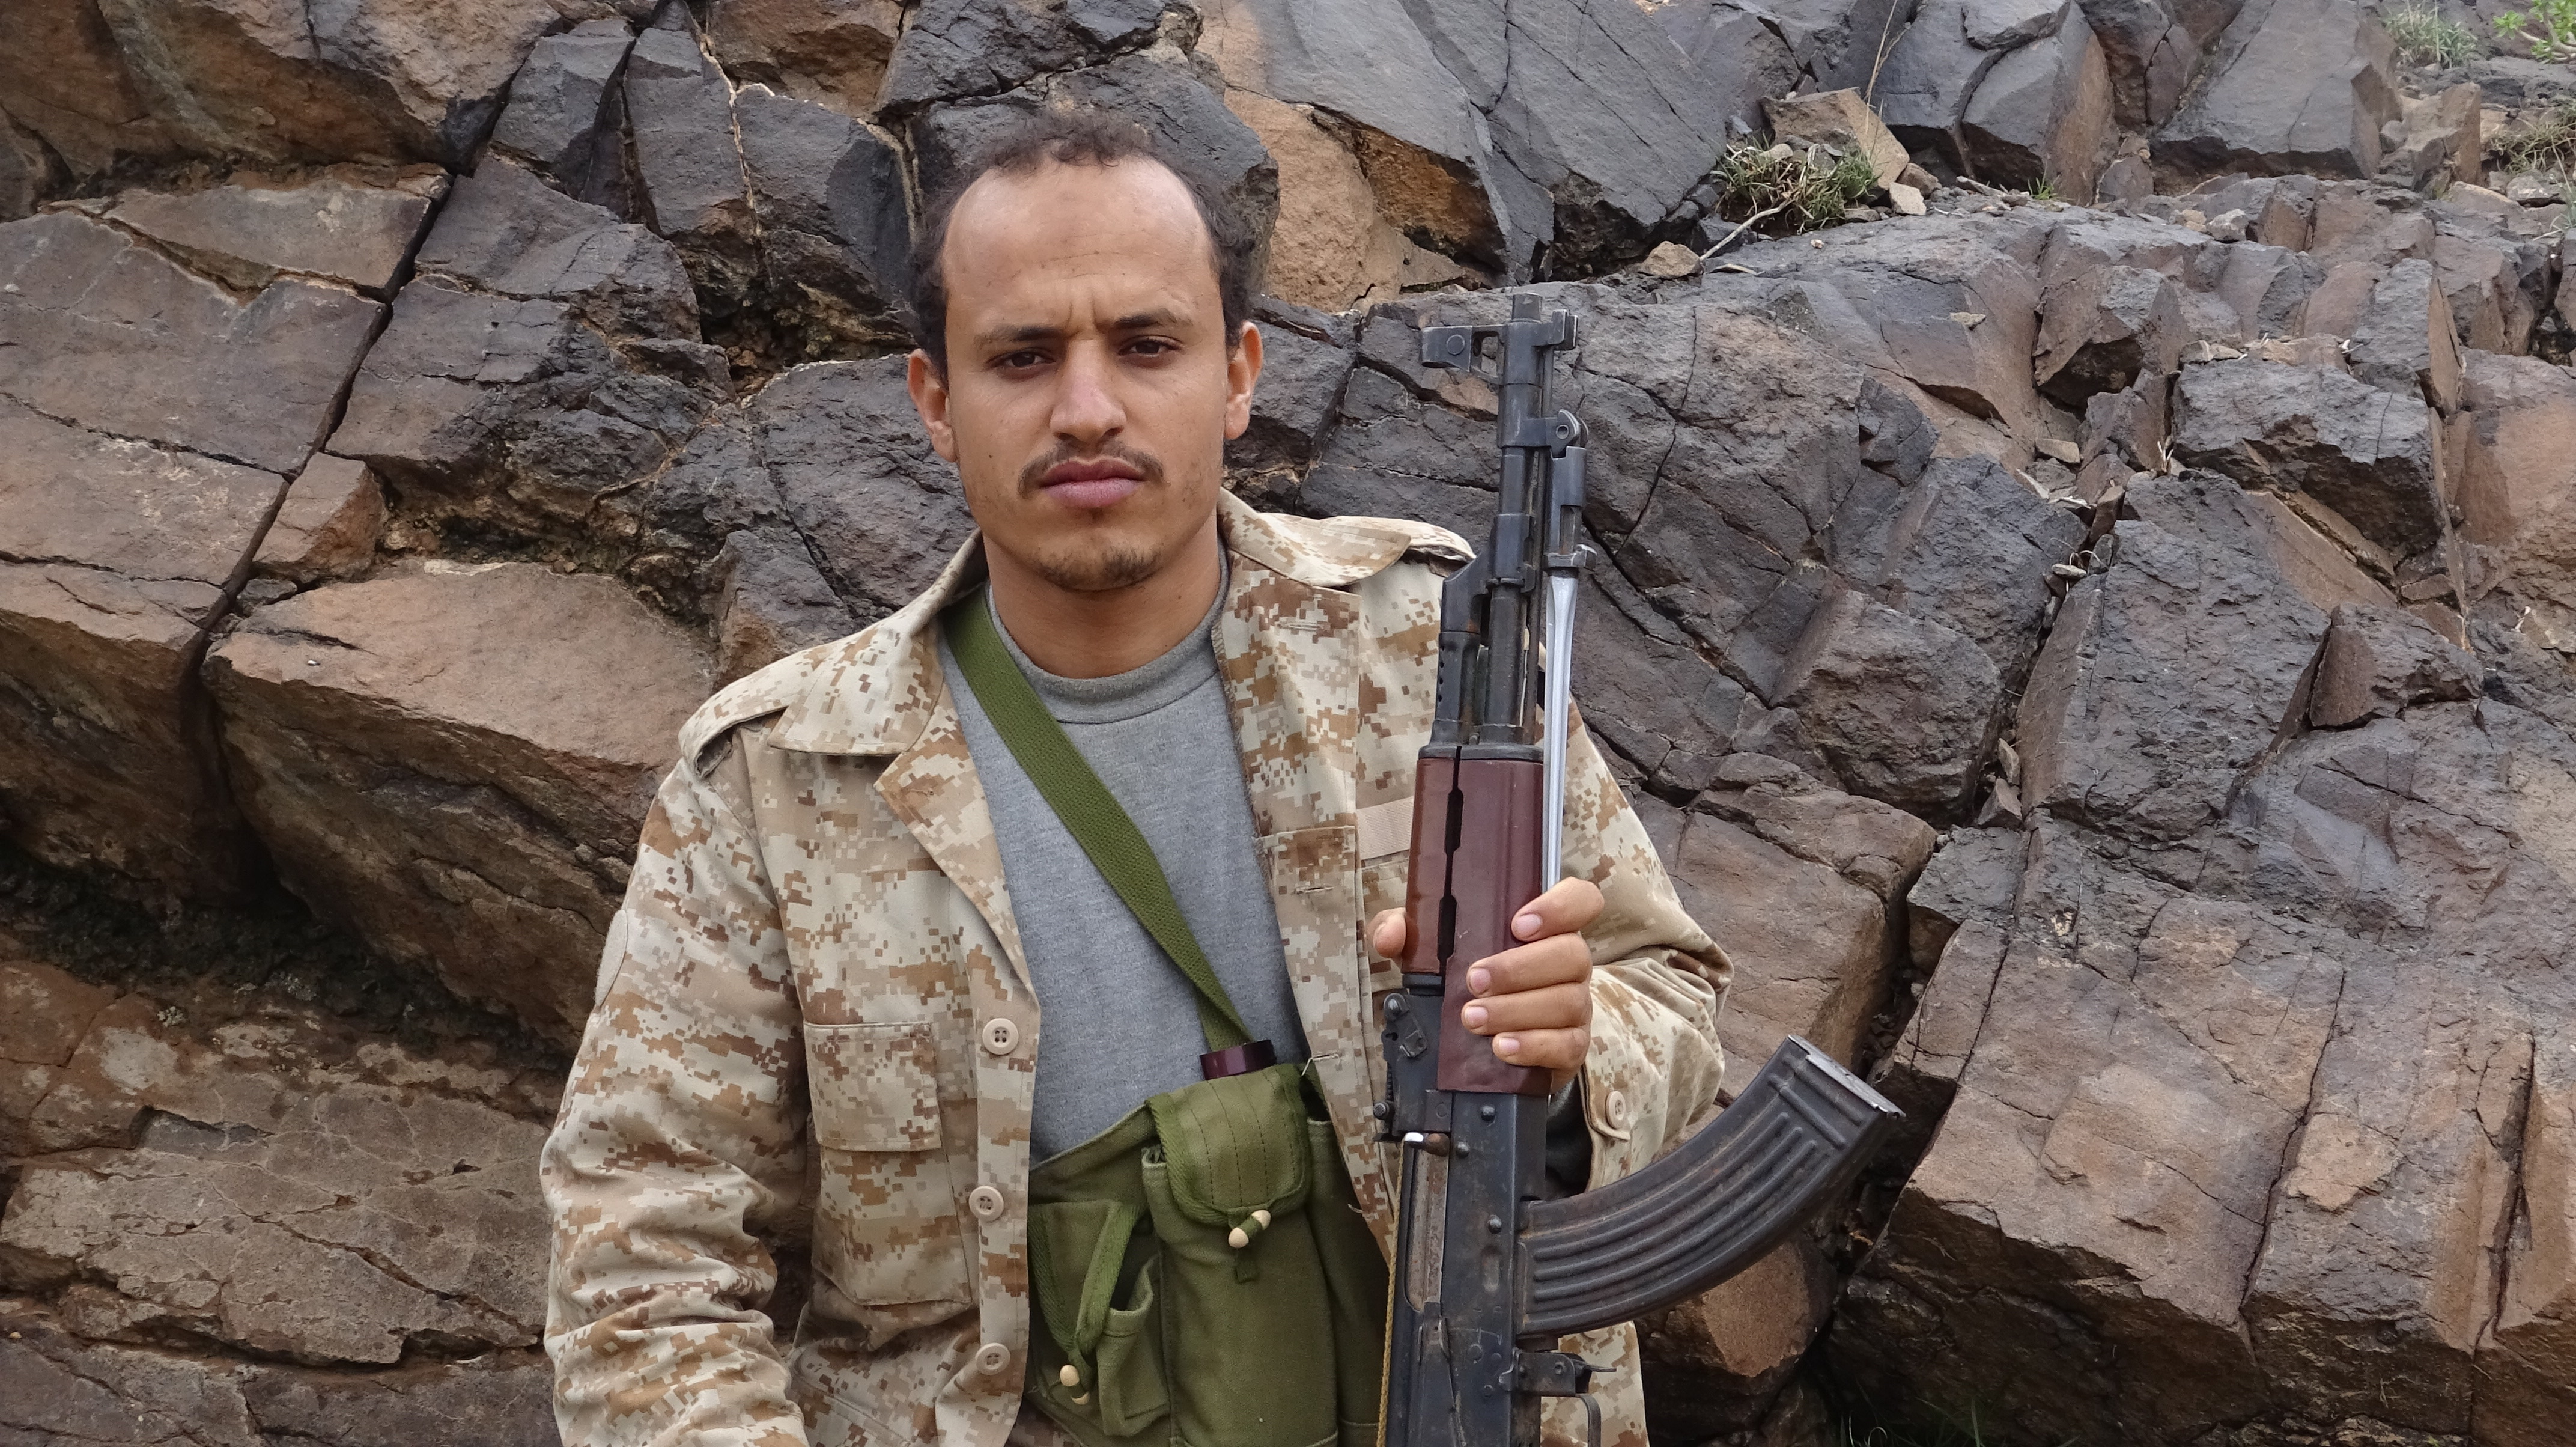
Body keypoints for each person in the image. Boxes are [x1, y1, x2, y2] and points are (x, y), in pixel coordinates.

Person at [541, 109, 1730, 1447]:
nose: (1088, 409)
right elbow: (642, 1254)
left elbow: (1673, 1004)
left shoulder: (1424, 651)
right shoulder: (779, 778)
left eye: (1147, 345)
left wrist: (1569, 1057)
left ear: (1239, 375)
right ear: (936, 403)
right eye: (1023, 357)